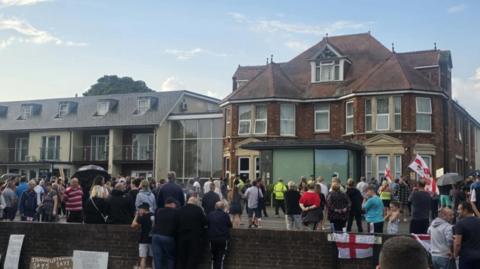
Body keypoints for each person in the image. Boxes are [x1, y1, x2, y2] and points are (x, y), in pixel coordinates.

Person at [176, 197, 207, 269]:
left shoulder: (180, 209)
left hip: (181, 237)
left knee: (181, 257)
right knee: (192, 257)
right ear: (195, 203)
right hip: (194, 238)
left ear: (187, 201)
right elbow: (205, 222)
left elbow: (176, 222)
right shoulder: (198, 210)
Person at [152, 197, 179, 269]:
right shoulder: (176, 212)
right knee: (170, 257)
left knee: (157, 259)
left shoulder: (158, 211)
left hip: (156, 236)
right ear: (172, 204)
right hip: (168, 236)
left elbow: (155, 223)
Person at [454, 201, 480, 269]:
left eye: (459, 209)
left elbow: (457, 244)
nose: (458, 211)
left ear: (465, 210)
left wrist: (455, 254)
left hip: (466, 258)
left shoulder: (460, 224)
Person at [207, 201, 232, 269]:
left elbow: (207, 223)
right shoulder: (225, 215)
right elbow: (230, 225)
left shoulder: (210, 214)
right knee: (220, 257)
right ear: (223, 207)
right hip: (222, 239)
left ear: (215, 207)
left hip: (212, 239)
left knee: (213, 257)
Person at [131, 202, 155, 269]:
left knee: (143, 257)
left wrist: (136, 215)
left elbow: (133, 225)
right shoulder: (154, 215)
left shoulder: (142, 217)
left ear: (144, 209)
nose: (139, 211)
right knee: (153, 258)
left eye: (140, 209)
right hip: (152, 239)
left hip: (143, 240)